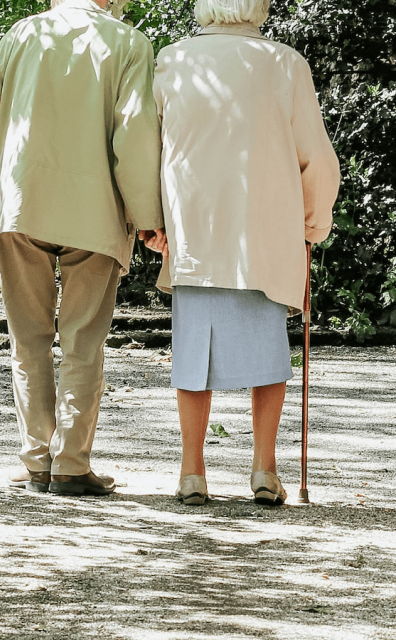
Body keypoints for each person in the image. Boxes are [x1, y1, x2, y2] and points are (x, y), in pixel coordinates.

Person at [0, 0, 166, 496]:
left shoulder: (23, 33)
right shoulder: (129, 43)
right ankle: (70, 463)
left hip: (23, 203)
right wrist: (147, 217)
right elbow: (133, 135)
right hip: (95, 212)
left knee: (27, 342)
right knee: (83, 341)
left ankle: (36, 461)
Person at [145, 0, 340, 505]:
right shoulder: (285, 63)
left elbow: (149, 147)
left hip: (195, 230)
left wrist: (150, 223)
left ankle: (192, 472)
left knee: (193, 354)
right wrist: (315, 224)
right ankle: (264, 469)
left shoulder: (173, 60)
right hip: (266, 231)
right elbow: (316, 157)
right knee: (269, 354)